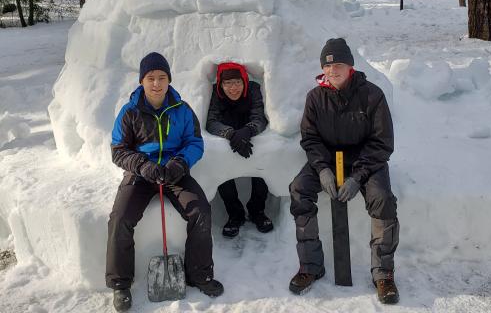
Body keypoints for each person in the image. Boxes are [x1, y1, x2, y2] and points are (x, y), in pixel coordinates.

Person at [106, 52, 223, 312]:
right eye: (151, 78)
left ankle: (199, 274)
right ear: (142, 81)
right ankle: (120, 283)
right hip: (141, 173)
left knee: (200, 210)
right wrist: (143, 166)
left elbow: (195, 142)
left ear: (169, 80)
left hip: (174, 171)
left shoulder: (181, 110)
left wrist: (180, 163)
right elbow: (118, 149)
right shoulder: (130, 112)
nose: (156, 84)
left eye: (161, 78)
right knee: (120, 218)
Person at [288, 38, 400, 304]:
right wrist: (323, 169)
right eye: (327, 66)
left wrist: (357, 176)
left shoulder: (372, 95)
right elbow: (310, 138)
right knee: (299, 190)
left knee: (382, 198)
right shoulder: (315, 98)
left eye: (338, 64)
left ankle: (383, 273)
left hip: (367, 161)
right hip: (327, 160)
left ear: (350, 66)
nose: (332, 70)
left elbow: (382, 142)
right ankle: (310, 266)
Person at [206, 62, 273, 238]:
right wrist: (230, 134)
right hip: (230, 139)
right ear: (220, 84)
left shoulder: (253, 90)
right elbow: (211, 121)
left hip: (250, 137)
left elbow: (260, 116)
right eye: (227, 83)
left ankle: (257, 210)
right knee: (220, 166)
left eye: (237, 82)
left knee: (264, 162)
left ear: (245, 81)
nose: (233, 88)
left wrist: (248, 131)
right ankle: (235, 214)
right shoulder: (214, 94)